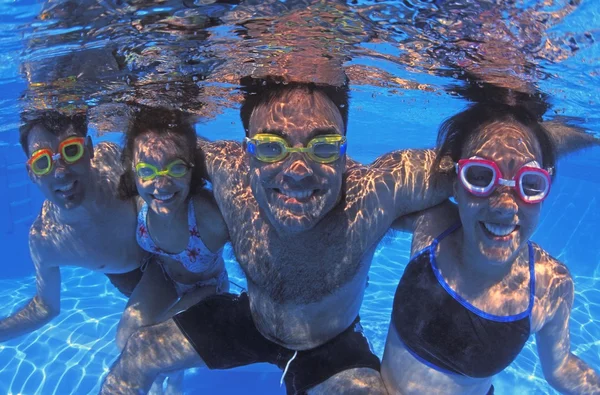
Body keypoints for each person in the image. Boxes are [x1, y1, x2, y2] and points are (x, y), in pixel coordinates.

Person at [100, 78, 453, 395]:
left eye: (323, 147)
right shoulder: (228, 170)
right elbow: (164, 150)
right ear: (248, 151)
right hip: (251, 321)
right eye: (271, 147)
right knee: (139, 351)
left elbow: (476, 169)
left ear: (344, 151)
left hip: (331, 344)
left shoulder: (375, 192)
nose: (298, 171)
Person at [381, 102, 600, 394]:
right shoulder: (432, 225)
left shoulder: (550, 283)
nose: (505, 206)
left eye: (530, 183)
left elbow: (561, 368)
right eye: (481, 177)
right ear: (456, 185)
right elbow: (367, 200)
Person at [0, 110, 146, 342]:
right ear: (31, 173)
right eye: (42, 162)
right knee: (135, 342)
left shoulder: (111, 157)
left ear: (89, 149)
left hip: (176, 250)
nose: (61, 173)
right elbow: (44, 307)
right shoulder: (44, 239)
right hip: (132, 278)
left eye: (71, 150)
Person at [115, 105, 229, 350]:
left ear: (192, 167)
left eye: (176, 167)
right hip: (164, 277)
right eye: (147, 170)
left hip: (208, 287)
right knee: (126, 339)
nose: (161, 184)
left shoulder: (208, 217)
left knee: (155, 344)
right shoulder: (137, 205)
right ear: (133, 171)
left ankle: (172, 380)